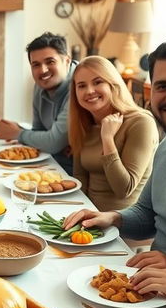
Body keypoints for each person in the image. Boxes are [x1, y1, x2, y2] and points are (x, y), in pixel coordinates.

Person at [63, 35, 166, 308]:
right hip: (155, 292)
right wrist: (113, 217)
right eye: (163, 86)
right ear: (149, 90)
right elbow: (146, 211)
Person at [68, 56, 159, 211]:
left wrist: (107, 139)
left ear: (113, 84)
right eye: (82, 85)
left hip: (122, 224)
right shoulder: (84, 124)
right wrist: (75, 211)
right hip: (88, 216)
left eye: (98, 82)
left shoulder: (141, 123)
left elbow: (124, 189)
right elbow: (80, 177)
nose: (89, 91)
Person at [0, 32, 76, 174]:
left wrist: (17, 133)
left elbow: (53, 142)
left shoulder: (80, 85)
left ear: (67, 61)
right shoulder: (40, 86)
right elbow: (39, 131)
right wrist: (49, 141)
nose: (43, 70)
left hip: (75, 170)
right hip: (52, 162)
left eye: (50, 62)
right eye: (36, 65)